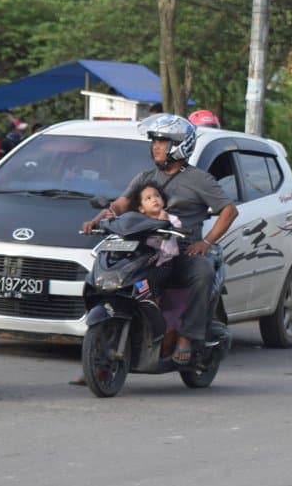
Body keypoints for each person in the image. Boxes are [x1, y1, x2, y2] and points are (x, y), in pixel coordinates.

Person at [81, 114, 237, 365]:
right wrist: (101, 218)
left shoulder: (199, 179)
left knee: (203, 272)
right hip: (146, 247)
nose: (155, 146)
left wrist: (206, 243)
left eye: (162, 141)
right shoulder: (146, 178)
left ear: (179, 145)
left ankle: (187, 335)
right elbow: (121, 204)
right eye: (154, 140)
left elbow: (229, 211)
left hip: (183, 250)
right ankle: (106, 344)